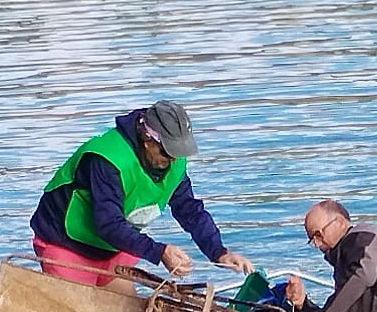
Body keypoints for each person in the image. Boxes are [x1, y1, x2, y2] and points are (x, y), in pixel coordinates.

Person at [29, 100, 253, 284]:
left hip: (112, 248)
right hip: (65, 242)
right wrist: (159, 252)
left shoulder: (173, 162)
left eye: (178, 152)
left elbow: (190, 210)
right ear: (147, 140)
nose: (172, 160)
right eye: (167, 153)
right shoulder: (107, 159)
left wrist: (219, 252)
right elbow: (107, 224)